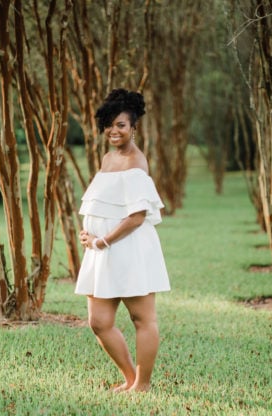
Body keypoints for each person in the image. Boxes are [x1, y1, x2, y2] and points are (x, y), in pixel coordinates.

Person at [75, 88, 170, 393]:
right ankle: (130, 377)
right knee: (99, 321)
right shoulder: (108, 157)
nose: (114, 131)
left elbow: (136, 216)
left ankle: (142, 384)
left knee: (142, 318)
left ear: (133, 128)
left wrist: (102, 240)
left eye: (121, 125)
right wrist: (90, 234)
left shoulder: (134, 163)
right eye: (109, 125)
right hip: (101, 250)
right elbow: (104, 204)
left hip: (128, 248)